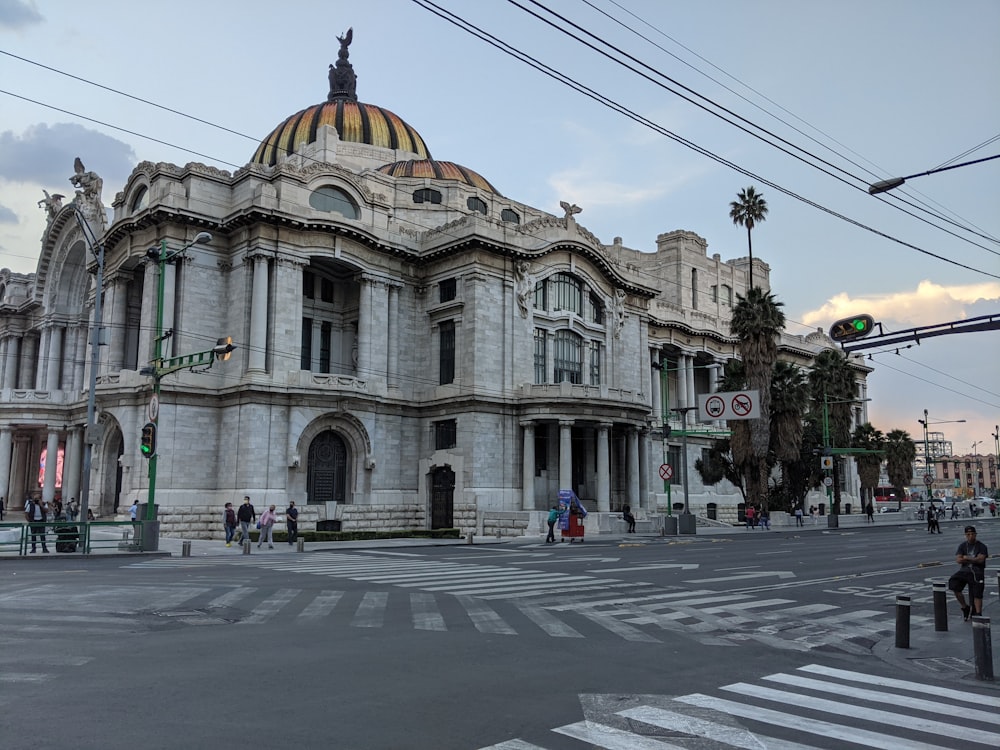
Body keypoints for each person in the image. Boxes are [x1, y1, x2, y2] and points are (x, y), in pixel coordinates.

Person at [948, 526, 988, 620]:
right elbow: (958, 560)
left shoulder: (981, 546)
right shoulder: (962, 546)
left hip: (977, 571)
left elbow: (981, 560)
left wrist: (967, 558)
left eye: (972, 534)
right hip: (964, 571)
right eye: (968, 534)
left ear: (975, 534)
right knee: (954, 584)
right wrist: (973, 559)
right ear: (965, 535)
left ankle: (978, 613)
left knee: (978, 592)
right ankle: (965, 607)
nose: (970, 536)